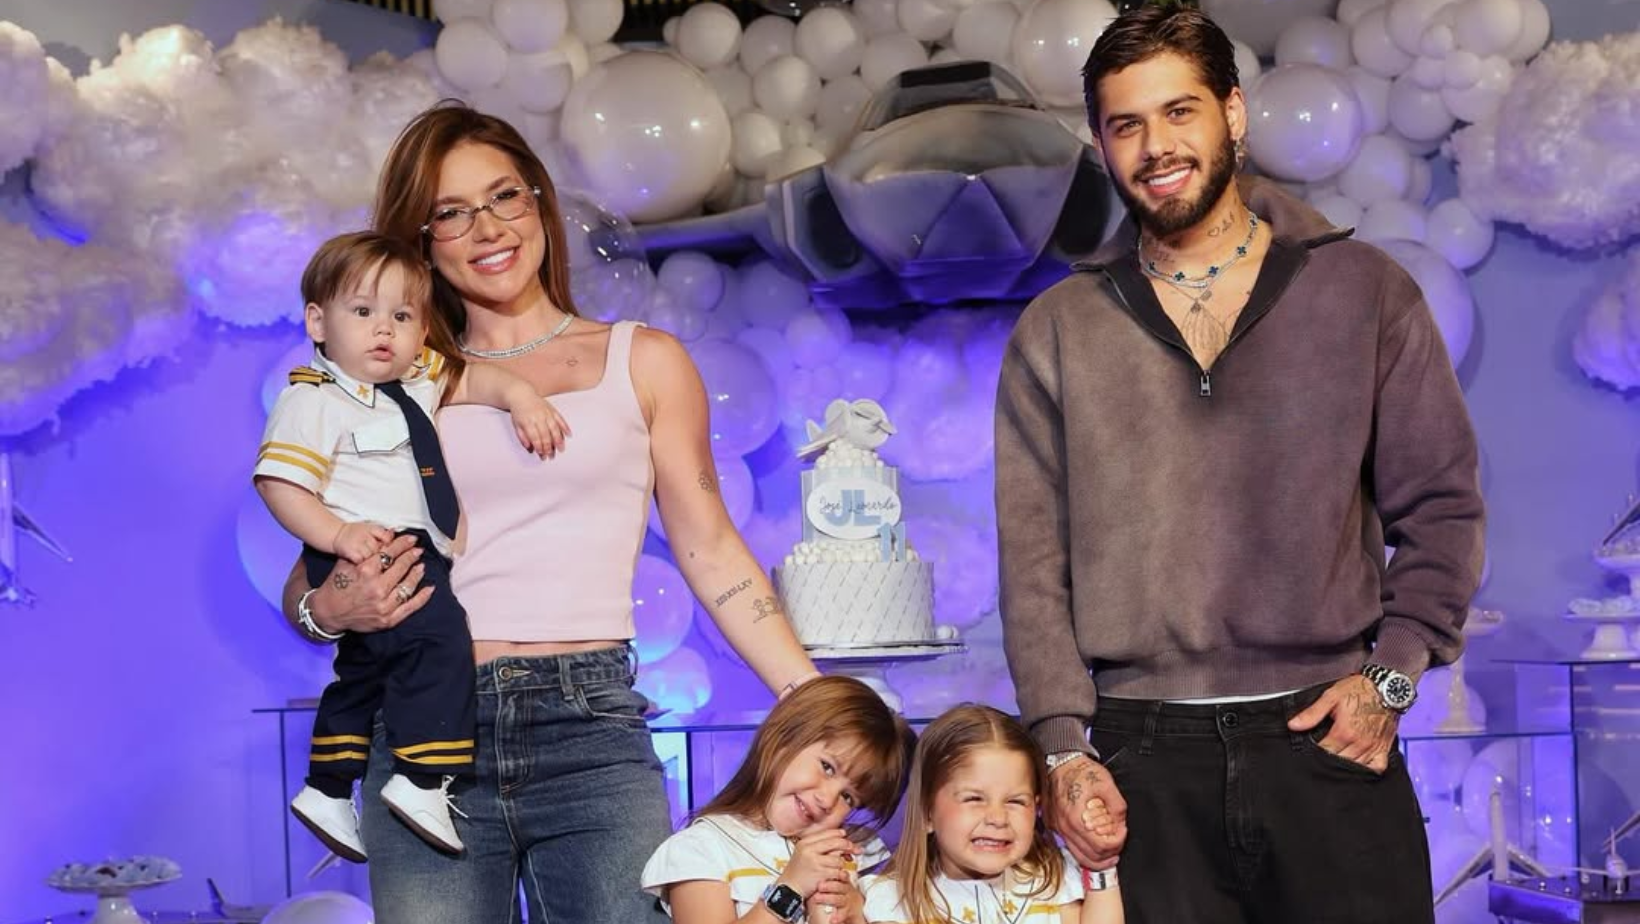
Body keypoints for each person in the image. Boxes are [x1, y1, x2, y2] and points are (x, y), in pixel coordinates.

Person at [993, 6, 1486, 923]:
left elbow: (1445, 511)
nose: (1155, 146)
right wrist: (1063, 750)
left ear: (1234, 112)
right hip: (1139, 762)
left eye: (1180, 112)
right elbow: (1031, 568)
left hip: (1332, 745)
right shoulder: (1058, 330)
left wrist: (1391, 680)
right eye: (1125, 124)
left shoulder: (1366, 291)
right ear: (1101, 147)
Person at [279, 101, 821, 924]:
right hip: (427, 733)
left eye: (503, 196)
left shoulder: (642, 360)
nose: (486, 227)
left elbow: (711, 548)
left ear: (538, 201)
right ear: (419, 241)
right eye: (450, 213)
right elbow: (305, 580)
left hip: (591, 729)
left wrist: (812, 702)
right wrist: (328, 610)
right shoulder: (393, 386)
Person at [258, 230, 568, 861]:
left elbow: (474, 377)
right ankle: (423, 778)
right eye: (363, 311)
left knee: (366, 675)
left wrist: (521, 396)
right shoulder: (312, 399)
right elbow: (279, 484)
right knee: (441, 644)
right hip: (374, 548)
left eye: (402, 316)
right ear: (318, 321)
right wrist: (339, 537)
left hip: (387, 545)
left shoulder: (416, 378)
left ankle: (327, 786)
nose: (384, 330)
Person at [641, 675, 917, 924]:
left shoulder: (858, 851)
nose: (827, 799)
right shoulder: (702, 849)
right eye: (827, 767)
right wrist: (790, 889)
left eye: (848, 797)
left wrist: (856, 911)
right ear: (786, 736)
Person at [858, 705, 1123, 924]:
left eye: (1016, 801)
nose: (997, 818)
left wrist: (1099, 859)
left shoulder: (1054, 882)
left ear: (1037, 808)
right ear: (927, 812)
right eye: (974, 799)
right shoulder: (894, 901)